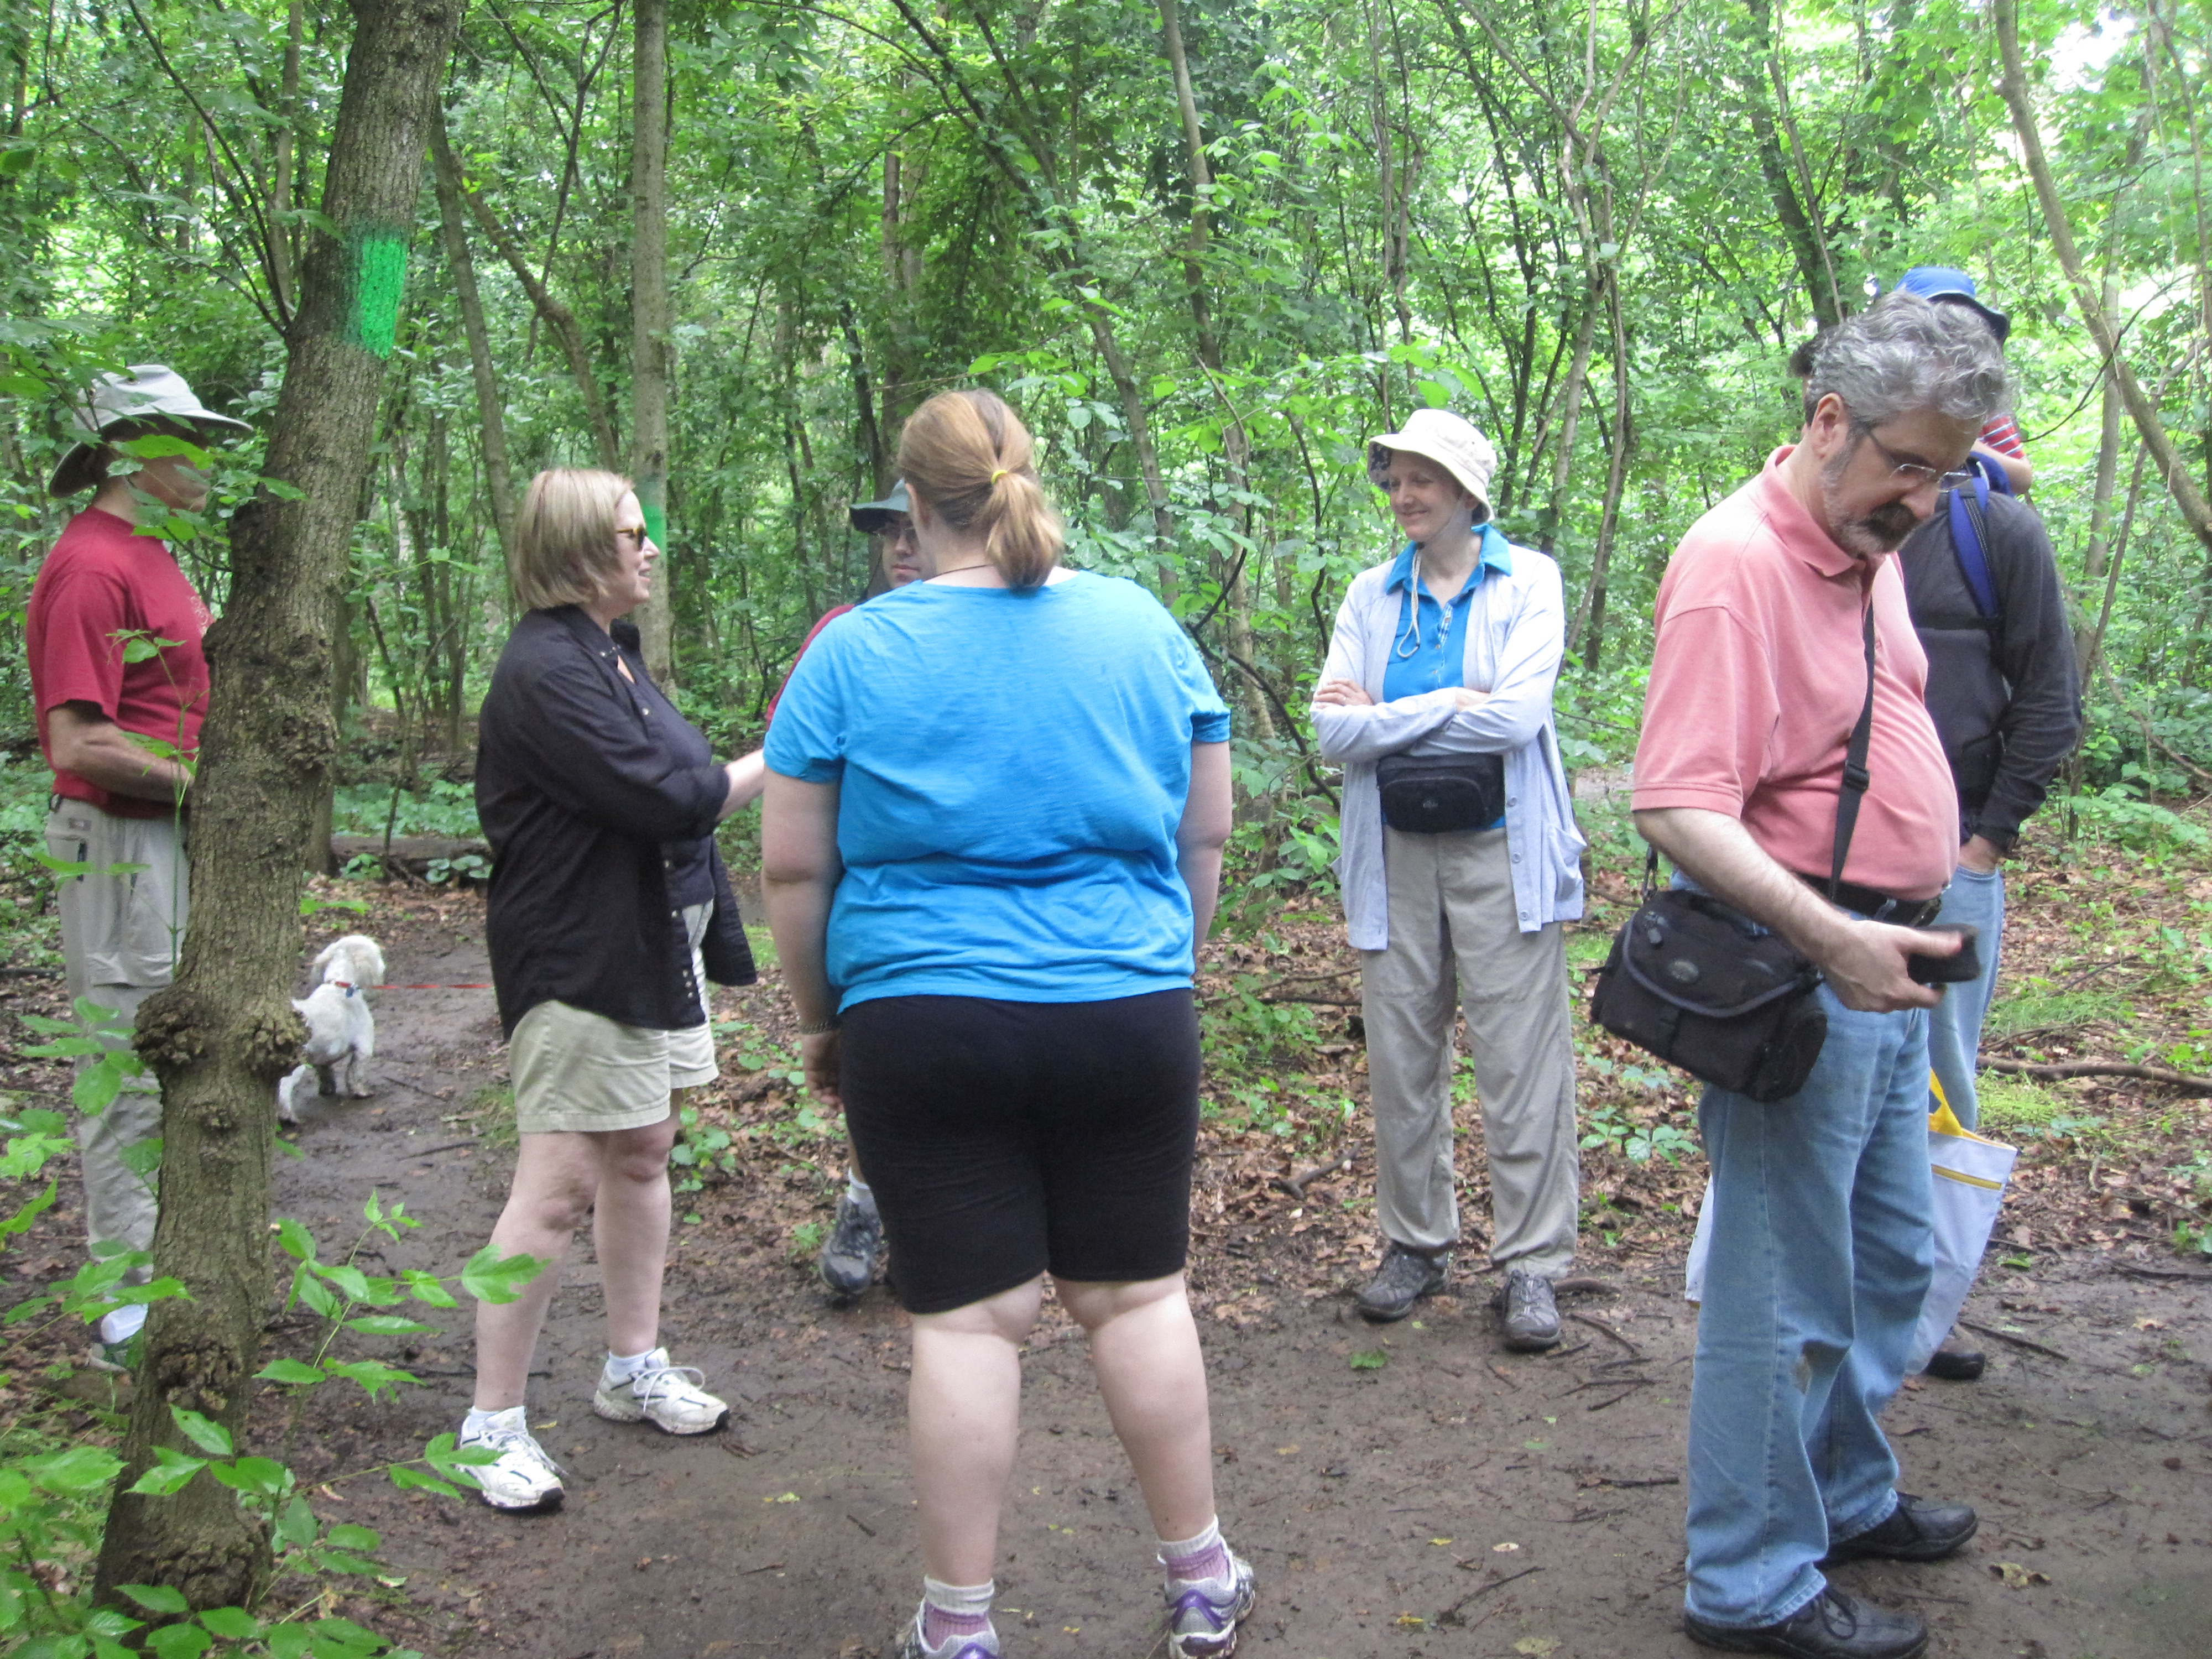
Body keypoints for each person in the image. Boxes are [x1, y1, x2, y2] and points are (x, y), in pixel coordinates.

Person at [762, 389, 1248, 1659]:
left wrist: (821, 1018)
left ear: (911, 506)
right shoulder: (1141, 627)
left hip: (920, 1018)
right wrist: (1161, 967)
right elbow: (1203, 833)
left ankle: (958, 1625)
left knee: (967, 1323)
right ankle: (1201, 1577)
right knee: (1136, 1300)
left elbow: (795, 870)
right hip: (1126, 1007)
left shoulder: (853, 651)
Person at [1631, 292, 2006, 1659]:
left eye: (1944, 473)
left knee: (1890, 1258)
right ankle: (1746, 1579)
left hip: (1889, 964)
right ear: (1827, 420)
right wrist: (1832, 937)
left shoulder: (1865, 541)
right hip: (1806, 976)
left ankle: (1841, 1488)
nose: (1922, 498)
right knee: (1778, 1294)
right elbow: (1676, 803)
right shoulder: (1734, 565)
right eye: (1905, 464)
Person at [459, 467, 760, 1513]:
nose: (652, 548)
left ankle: (632, 1368)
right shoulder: (545, 669)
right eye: (635, 533)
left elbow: (671, 786)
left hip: (651, 943)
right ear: (583, 552)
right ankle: (491, 1424)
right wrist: (784, 755)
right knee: (555, 1185)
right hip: (579, 955)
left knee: (643, 1150)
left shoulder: (608, 652)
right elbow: (668, 796)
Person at [1308, 406, 1585, 1350]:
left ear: (1468, 490)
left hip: (1503, 852)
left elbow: (1516, 721)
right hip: (1393, 856)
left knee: (1522, 1062)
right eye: (1394, 479)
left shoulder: (1528, 581)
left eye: (1421, 478)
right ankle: (1416, 1245)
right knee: (1400, 1059)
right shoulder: (1369, 597)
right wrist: (1449, 701)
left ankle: (1533, 1263)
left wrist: (1386, 714)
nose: (1403, 494)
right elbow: (1332, 730)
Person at [26, 364, 248, 1373]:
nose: (205, 459)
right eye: (186, 440)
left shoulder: (156, 556)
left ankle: (181, 1268)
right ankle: (122, 1303)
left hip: (171, 837)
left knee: (187, 1046)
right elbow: (79, 740)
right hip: (120, 846)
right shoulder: (89, 566)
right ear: (129, 452)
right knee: (128, 1056)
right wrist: (207, 789)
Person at [1892, 295, 2079, 1384]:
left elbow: (2048, 700)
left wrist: (1985, 845)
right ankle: (1831, 1289)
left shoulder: (1996, 530)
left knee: (1940, 1077)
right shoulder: (1831, 523)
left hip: (1953, 859)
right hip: (1828, 868)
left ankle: (1929, 1304)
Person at [779, 481, 922, 1300]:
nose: (901, 546)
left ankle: (928, 1221)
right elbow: (794, 758)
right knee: (866, 1053)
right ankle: (866, 1201)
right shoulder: (844, 634)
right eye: (889, 532)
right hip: (857, 883)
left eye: (915, 529)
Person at [1893, 268, 2032, 495]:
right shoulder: (1877, 391)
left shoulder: (1977, 396)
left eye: (1957, 321)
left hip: (1965, 510)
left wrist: (1961, 442)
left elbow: (2023, 478)